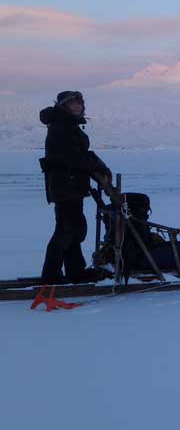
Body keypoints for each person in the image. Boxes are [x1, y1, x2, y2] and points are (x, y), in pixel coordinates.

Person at [39, 91, 112, 285]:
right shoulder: (62, 126)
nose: (77, 106)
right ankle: (51, 277)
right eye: (73, 104)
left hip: (70, 184)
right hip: (66, 185)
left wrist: (93, 165)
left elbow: (77, 156)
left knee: (72, 228)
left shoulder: (66, 125)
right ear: (63, 106)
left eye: (79, 103)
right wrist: (96, 164)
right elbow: (72, 157)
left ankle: (75, 272)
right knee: (68, 230)